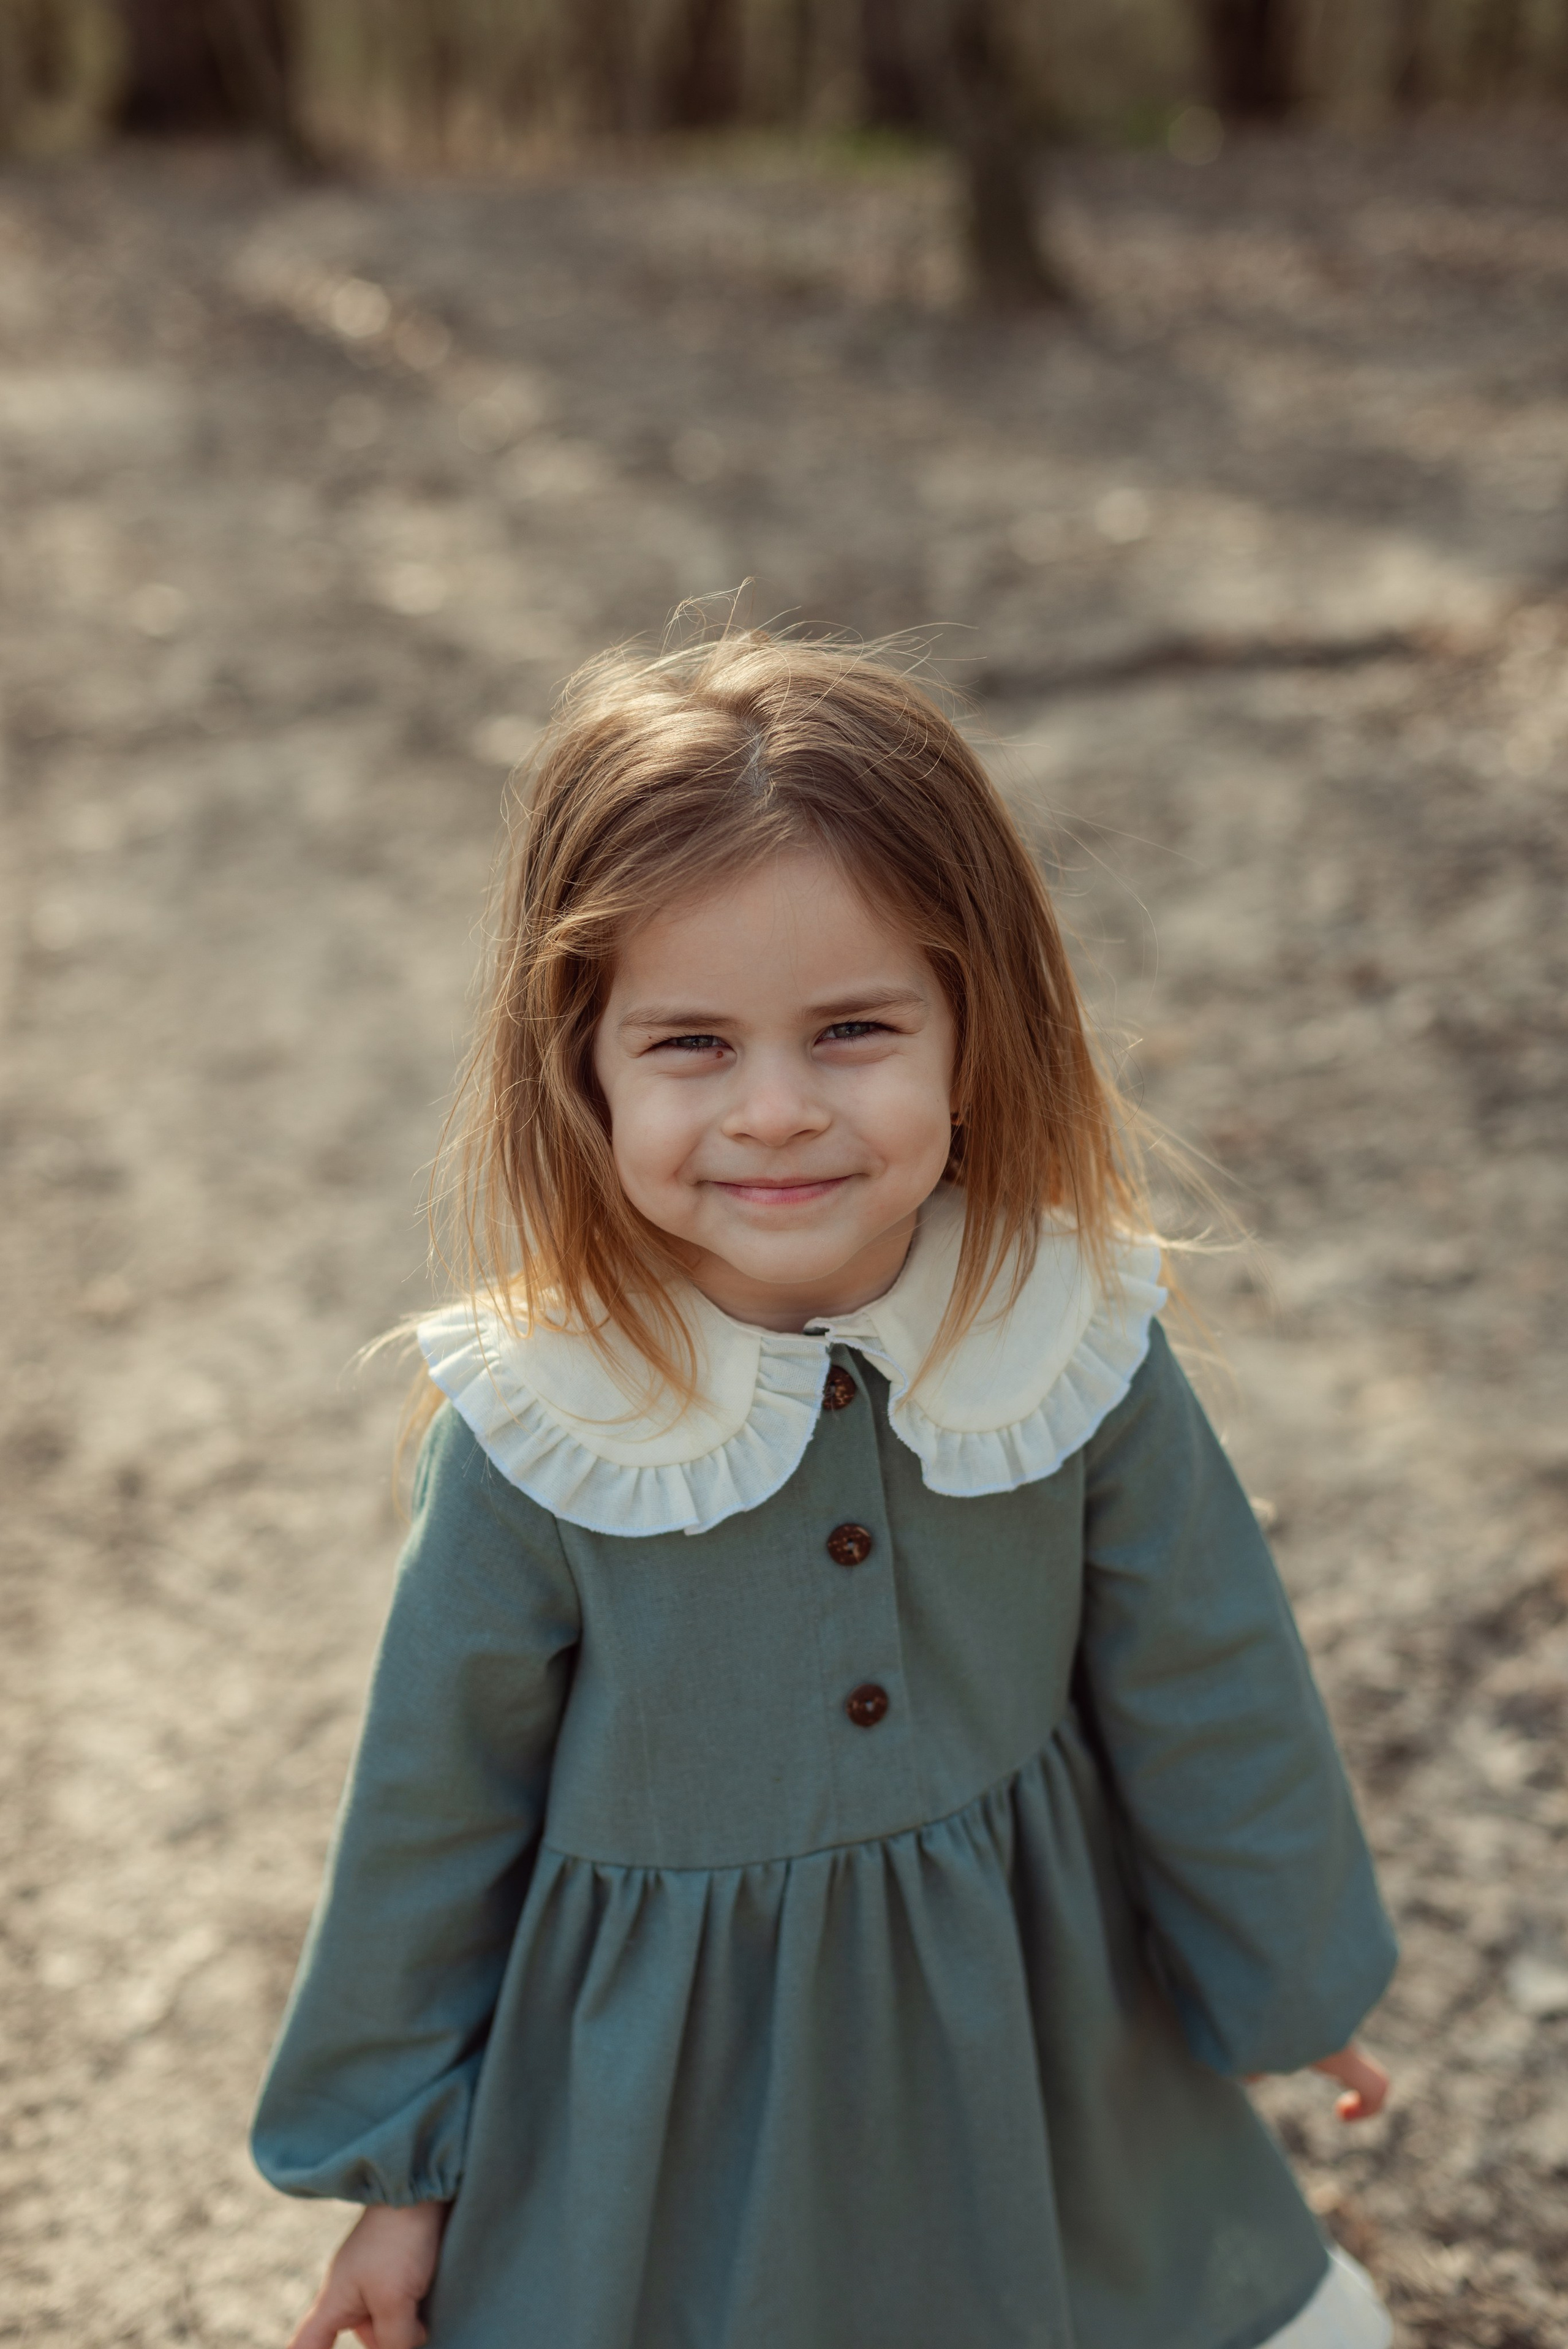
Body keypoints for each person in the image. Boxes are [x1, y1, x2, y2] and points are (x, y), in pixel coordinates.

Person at [252, 628, 1398, 2349]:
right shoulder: (547, 1424)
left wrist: (1289, 1978)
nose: (776, 1111)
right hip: (671, 2111)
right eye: (692, 1045)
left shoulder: (1062, 1334)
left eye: (853, 1028)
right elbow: (436, 1806)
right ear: (583, 1064)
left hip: (1034, 2039)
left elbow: (1207, 1672)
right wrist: (399, 2168)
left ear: (974, 1027)